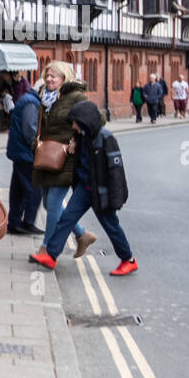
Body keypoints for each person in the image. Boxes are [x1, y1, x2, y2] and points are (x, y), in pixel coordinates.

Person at [29, 101, 136, 276]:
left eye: (75, 122)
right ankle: (51, 255)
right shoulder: (81, 137)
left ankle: (129, 260)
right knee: (66, 219)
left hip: (101, 192)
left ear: (85, 121)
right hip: (83, 190)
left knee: (111, 226)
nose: (72, 126)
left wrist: (116, 198)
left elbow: (116, 173)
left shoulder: (106, 138)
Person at [32, 62, 97, 260]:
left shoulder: (75, 97)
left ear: (64, 78)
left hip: (65, 160)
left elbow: (97, 120)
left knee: (53, 204)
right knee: (47, 203)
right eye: (48, 75)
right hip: (45, 156)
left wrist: (77, 138)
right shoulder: (44, 97)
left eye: (54, 76)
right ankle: (82, 234)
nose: (50, 79)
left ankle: (47, 248)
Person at [6, 77, 45, 235]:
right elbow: (30, 130)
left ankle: (14, 223)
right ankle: (28, 222)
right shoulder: (31, 102)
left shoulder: (29, 99)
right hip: (26, 153)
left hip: (20, 152)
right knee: (35, 188)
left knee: (18, 188)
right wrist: (39, 149)